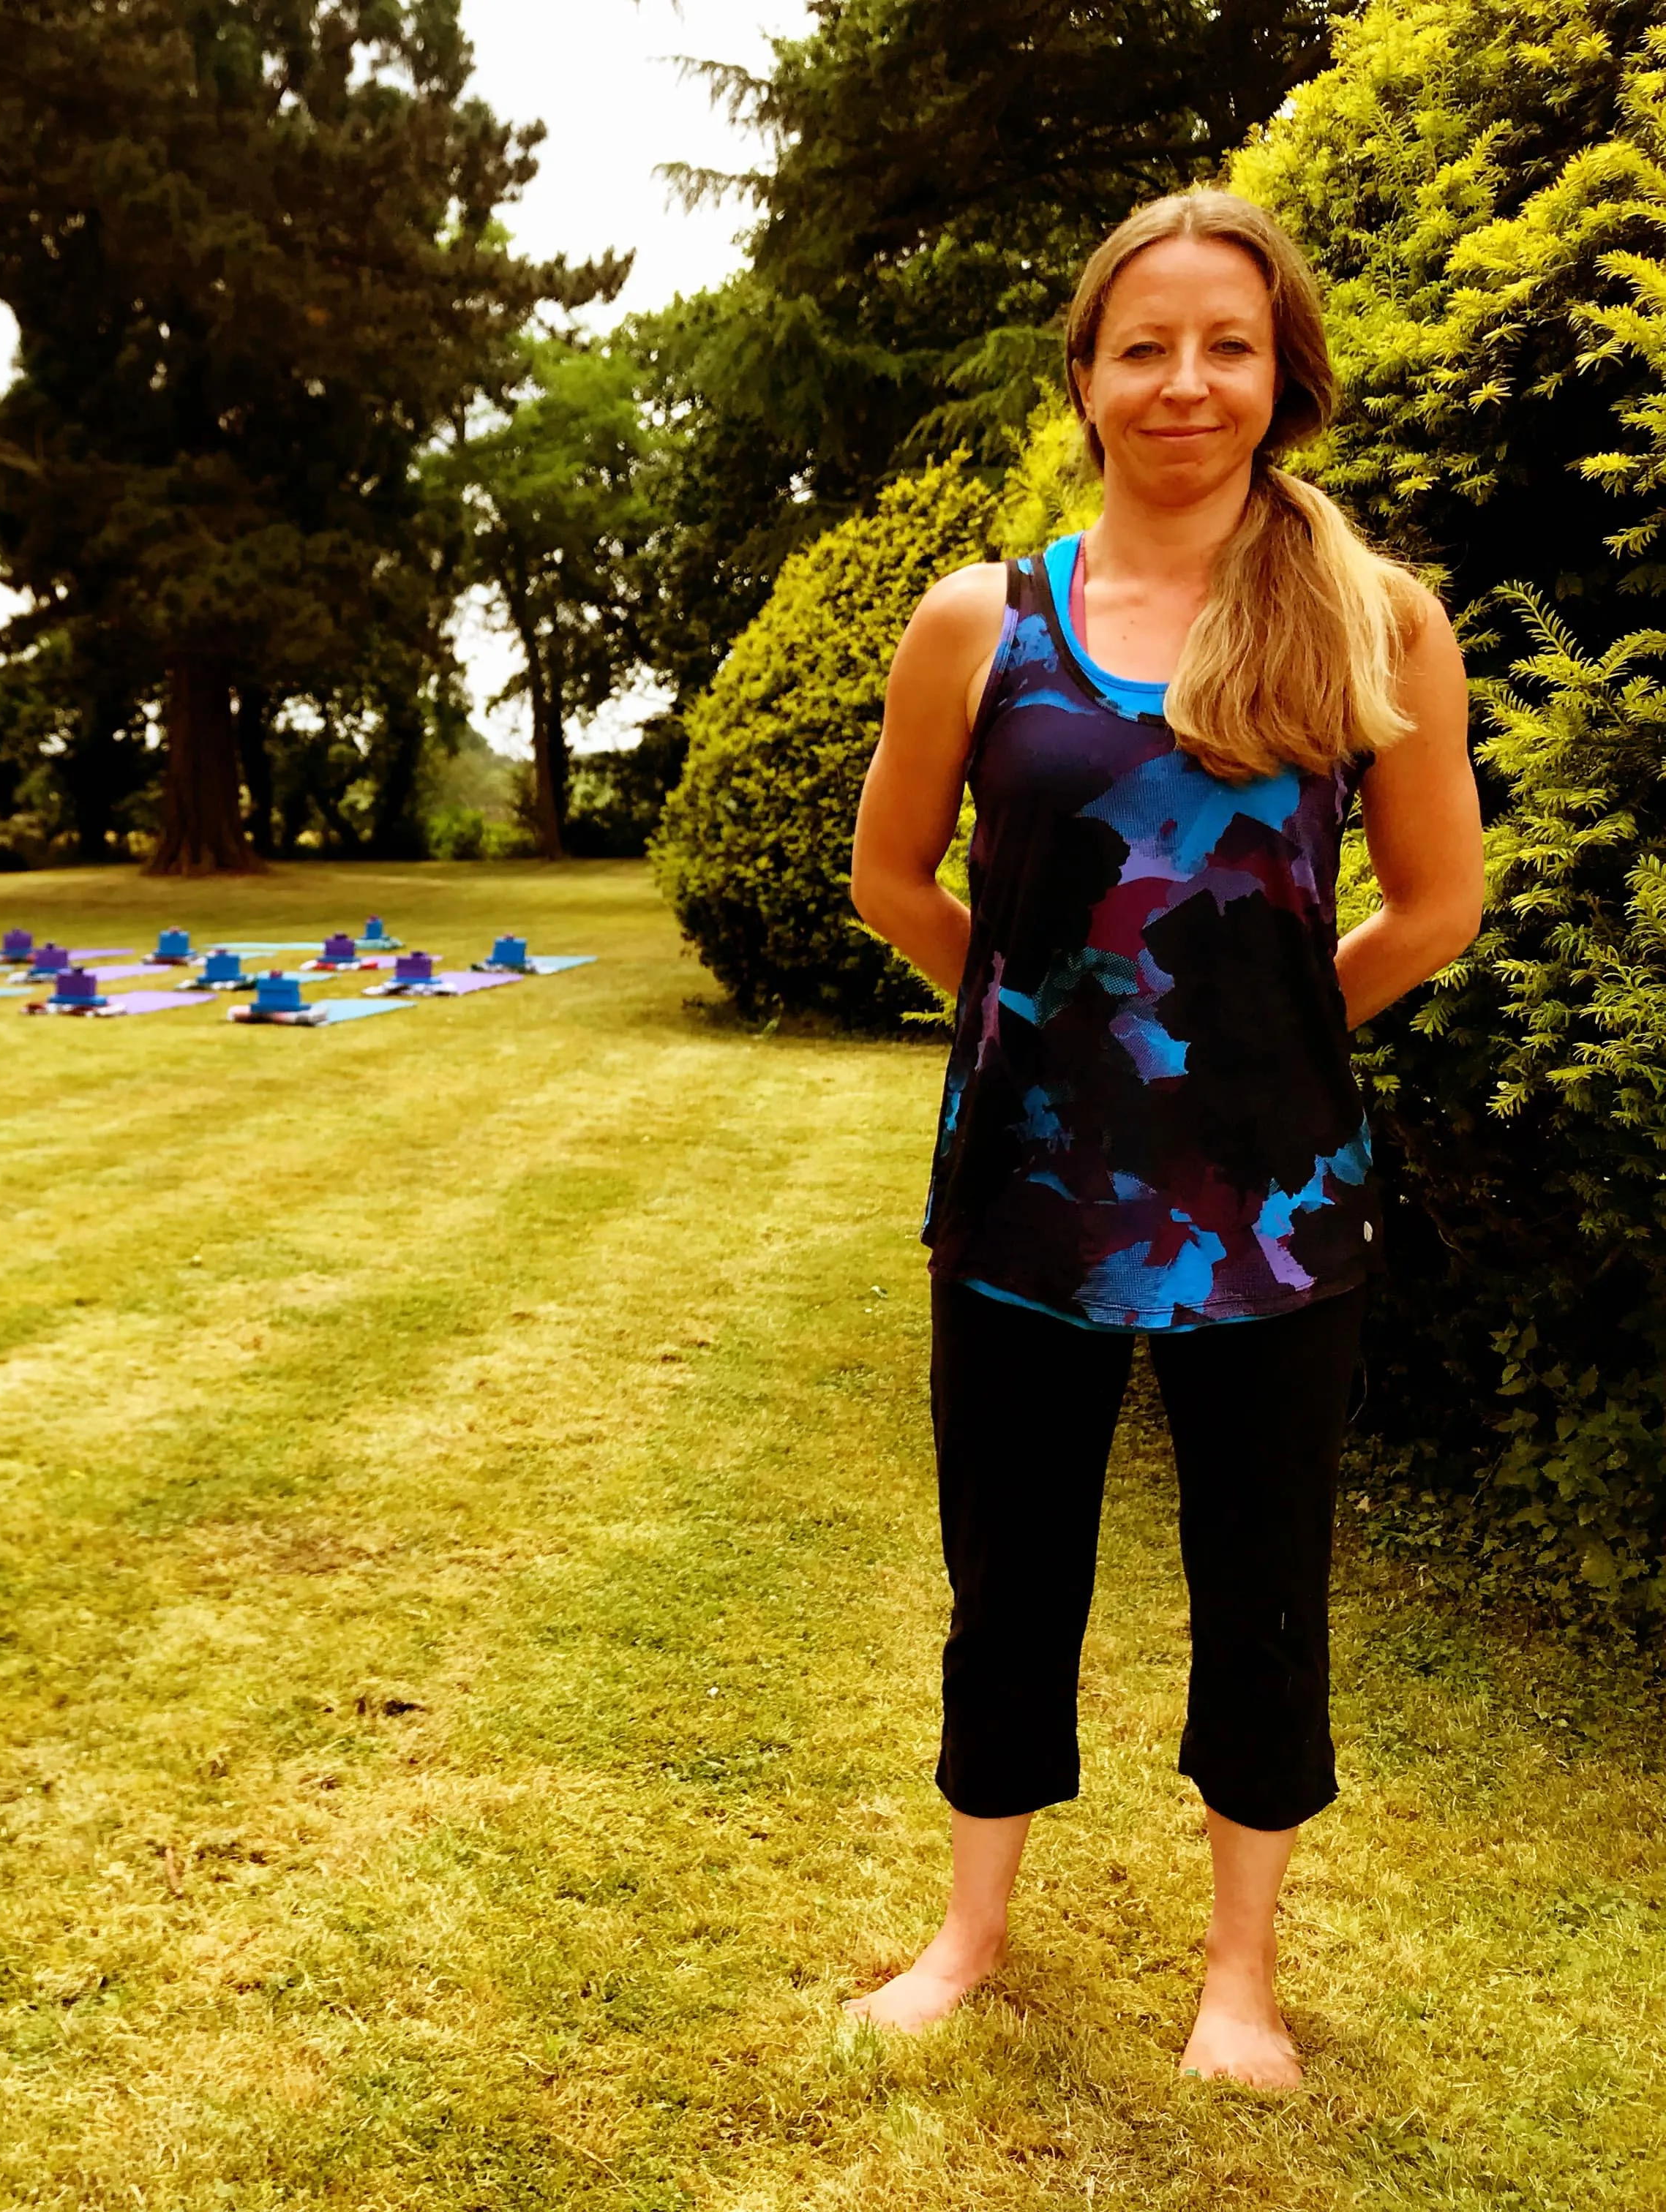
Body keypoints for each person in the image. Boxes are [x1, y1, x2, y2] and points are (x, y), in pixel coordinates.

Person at [843, 189, 1486, 2089]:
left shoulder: (1379, 624)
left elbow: (1432, 908)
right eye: (1146, 345)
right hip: (1025, 1204)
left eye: (1226, 344)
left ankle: (1242, 1985)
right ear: (1089, 378)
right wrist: (1050, 1024)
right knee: (1010, 1578)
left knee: (1266, 1588)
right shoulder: (983, 623)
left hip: (1272, 1217)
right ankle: (969, 1939)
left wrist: (1250, 1055)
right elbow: (893, 878)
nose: (1185, 380)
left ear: (1283, 373)